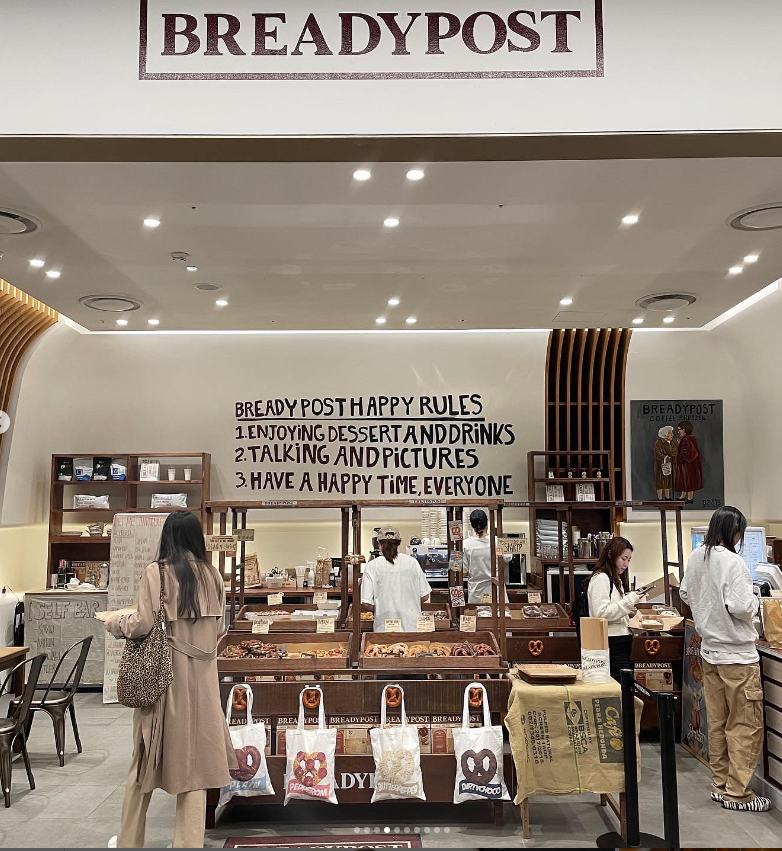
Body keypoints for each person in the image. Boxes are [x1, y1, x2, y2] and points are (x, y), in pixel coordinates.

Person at [105, 511, 237, 848]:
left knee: (144, 758)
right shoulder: (213, 575)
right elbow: (219, 629)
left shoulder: (157, 573)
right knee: (196, 768)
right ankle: (187, 844)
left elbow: (142, 624)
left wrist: (114, 622)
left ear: (167, 537)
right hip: (204, 686)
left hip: (164, 683)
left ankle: (129, 841)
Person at [679, 506, 769, 812]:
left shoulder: (697, 557)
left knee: (716, 723)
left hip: (710, 653)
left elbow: (685, 593)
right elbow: (741, 607)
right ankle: (737, 793)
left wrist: (709, 610)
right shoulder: (734, 562)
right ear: (735, 531)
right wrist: (756, 599)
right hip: (738, 656)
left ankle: (720, 785)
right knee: (744, 725)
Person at [585, 537, 643, 681]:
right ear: (611, 555)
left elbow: (615, 607)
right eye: (623, 559)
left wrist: (629, 612)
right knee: (618, 686)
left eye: (629, 560)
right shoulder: (601, 578)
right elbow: (601, 613)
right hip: (611, 642)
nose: (626, 564)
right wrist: (630, 600)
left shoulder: (614, 578)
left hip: (620, 640)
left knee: (624, 685)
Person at [361, 526, 431, 631]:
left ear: (378, 543)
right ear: (399, 542)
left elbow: (366, 603)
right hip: (412, 629)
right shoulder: (412, 562)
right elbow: (425, 596)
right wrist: (410, 603)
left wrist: (382, 607)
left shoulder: (372, 566)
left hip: (385, 630)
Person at [462, 509, 511, 603]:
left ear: (472, 525)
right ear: (487, 522)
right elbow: (508, 557)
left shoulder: (465, 544)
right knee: (498, 612)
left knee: (478, 612)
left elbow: (463, 571)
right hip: (496, 593)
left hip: (476, 594)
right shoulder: (498, 541)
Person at [674, 420, 703, 504]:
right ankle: (687, 497)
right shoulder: (692, 438)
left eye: (679, 429)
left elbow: (685, 452)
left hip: (686, 465)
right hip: (692, 464)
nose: (678, 432)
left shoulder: (685, 439)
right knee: (689, 481)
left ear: (684, 430)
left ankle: (686, 497)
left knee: (686, 480)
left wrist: (679, 459)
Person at [653, 425, 676, 500]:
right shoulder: (658, 443)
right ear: (665, 434)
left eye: (672, 433)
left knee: (668, 480)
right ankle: (659, 497)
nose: (672, 434)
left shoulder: (672, 443)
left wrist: (673, 457)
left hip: (669, 465)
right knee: (660, 481)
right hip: (660, 465)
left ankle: (667, 496)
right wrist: (665, 457)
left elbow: (674, 451)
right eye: (670, 433)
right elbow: (657, 453)